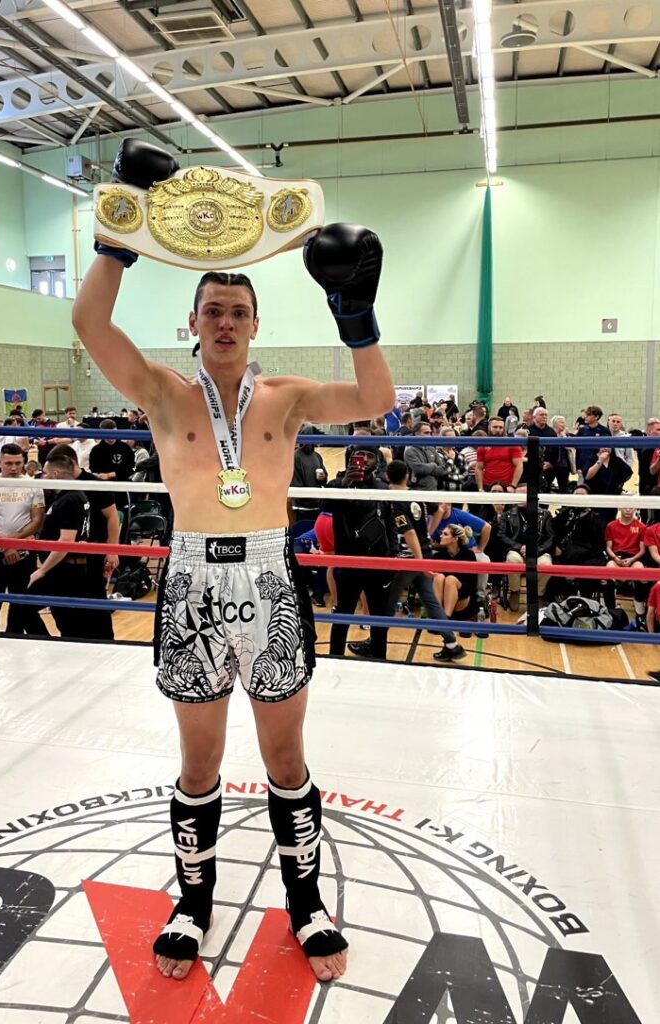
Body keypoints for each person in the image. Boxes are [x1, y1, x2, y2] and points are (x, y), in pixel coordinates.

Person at [71, 137, 395, 983]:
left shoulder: (284, 397)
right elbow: (88, 325)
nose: (223, 322)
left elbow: (374, 401)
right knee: (199, 762)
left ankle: (308, 903)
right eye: (211, 309)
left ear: (255, 325)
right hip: (189, 583)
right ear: (194, 322)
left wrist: (355, 316)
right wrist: (119, 234)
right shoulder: (158, 392)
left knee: (285, 761)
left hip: (268, 580)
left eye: (237, 312)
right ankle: (191, 904)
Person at [383, 460, 466, 661]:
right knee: (431, 601)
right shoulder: (416, 494)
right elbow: (438, 510)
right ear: (407, 476)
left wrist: (419, 561)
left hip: (410, 558)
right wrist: (428, 533)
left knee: (386, 602)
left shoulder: (394, 501)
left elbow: (409, 533)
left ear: (387, 477)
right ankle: (452, 644)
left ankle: (374, 641)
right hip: (423, 553)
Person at [47, 445, 120, 639]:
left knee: (96, 609)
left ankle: (105, 647)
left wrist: (113, 550)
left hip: (90, 556)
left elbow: (112, 517)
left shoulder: (93, 483)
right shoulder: (57, 484)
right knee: (66, 612)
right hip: (62, 561)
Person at [325, 448, 392, 660]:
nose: (364, 460)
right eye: (360, 455)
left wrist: (393, 557)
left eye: (369, 456)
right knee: (342, 614)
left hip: (377, 561)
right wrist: (344, 486)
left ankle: (380, 659)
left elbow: (390, 523)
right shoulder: (337, 484)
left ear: (377, 460)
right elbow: (323, 506)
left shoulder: (382, 487)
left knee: (379, 618)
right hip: (348, 561)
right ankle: (335, 659)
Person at [27, 449, 92, 638]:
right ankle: (52, 645)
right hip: (66, 569)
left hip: (64, 571)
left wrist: (42, 570)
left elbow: (66, 541)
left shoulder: (70, 499)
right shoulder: (70, 496)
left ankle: (50, 645)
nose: (42, 477)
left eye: (45, 473)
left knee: (25, 605)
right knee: (65, 619)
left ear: (55, 474)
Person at [0, 443, 48, 636]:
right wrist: (4, 546)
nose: (13, 468)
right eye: (9, 463)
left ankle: (15, 640)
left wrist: (14, 543)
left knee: (20, 603)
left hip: (24, 553)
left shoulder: (32, 485)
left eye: (18, 463)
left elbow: (37, 519)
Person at [605, 507, 648, 622]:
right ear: (620, 507)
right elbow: (608, 547)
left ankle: (639, 609)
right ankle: (610, 609)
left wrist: (631, 559)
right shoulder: (611, 526)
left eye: (631, 507)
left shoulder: (642, 527)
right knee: (608, 570)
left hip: (634, 558)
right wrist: (615, 558)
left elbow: (642, 550)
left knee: (641, 572)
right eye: (625, 507)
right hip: (616, 557)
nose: (628, 510)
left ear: (635, 509)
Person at [432, 525, 479, 622]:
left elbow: (471, 586)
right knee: (438, 577)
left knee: (450, 579)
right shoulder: (438, 555)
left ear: (455, 539)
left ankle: (446, 619)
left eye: (445, 534)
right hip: (442, 599)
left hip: (462, 601)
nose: (441, 536)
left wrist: (453, 595)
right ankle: (438, 618)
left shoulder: (468, 555)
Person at [475, 417, 523, 491]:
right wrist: (480, 488)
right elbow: (479, 468)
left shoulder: (512, 444)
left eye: (500, 427)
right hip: (487, 484)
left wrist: (513, 485)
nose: (498, 430)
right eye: (495, 427)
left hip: (507, 485)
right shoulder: (483, 445)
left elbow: (519, 466)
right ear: (489, 427)